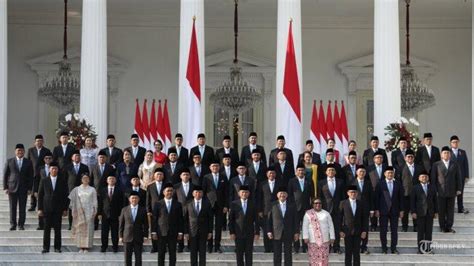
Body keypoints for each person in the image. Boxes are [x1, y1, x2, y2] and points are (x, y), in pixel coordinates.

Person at [37, 162, 68, 253]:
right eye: (52, 168)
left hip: (58, 209)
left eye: (55, 168)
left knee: (57, 229)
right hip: (46, 208)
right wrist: (39, 208)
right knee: (46, 229)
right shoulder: (44, 180)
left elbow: (65, 196)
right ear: (49, 170)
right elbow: (40, 195)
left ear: (58, 170)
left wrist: (65, 209)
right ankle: (46, 247)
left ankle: (57, 247)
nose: (54, 170)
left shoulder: (62, 181)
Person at [151, 183, 184, 266]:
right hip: (161, 232)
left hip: (173, 232)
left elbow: (180, 219)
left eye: (171, 191)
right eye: (167, 191)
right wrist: (153, 232)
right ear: (163, 192)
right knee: (161, 253)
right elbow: (154, 219)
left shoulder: (178, 204)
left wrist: (180, 232)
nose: (169, 192)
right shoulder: (158, 204)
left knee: (173, 253)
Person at [431, 146, 462, 233]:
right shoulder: (436, 165)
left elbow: (458, 178)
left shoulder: (454, 164)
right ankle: (442, 227)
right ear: (441, 154)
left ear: (450, 154)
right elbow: (433, 179)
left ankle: (449, 226)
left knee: (450, 210)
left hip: (451, 191)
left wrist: (459, 189)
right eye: (444, 153)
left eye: (448, 153)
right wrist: (434, 190)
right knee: (441, 210)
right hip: (440, 191)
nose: (446, 154)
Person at [3, 143, 34, 231]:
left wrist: (29, 188)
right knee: (12, 207)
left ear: (24, 151)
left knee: (22, 208)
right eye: (18, 150)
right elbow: (6, 174)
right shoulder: (10, 161)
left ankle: (21, 225)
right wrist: (5, 187)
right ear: (15, 151)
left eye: (21, 150)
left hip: (23, 188)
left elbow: (31, 176)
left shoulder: (28, 162)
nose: (20, 152)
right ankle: (13, 224)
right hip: (12, 188)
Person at [267, 187, 299, 266]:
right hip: (276, 232)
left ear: (287, 195)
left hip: (288, 232)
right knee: (277, 253)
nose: (282, 195)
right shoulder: (273, 205)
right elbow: (269, 219)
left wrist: (296, 232)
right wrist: (269, 231)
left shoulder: (292, 205)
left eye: (284, 193)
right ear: (277, 195)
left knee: (288, 253)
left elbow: (296, 220)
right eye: (280, 193)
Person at [228, 185, 259, 266]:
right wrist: (232, 232)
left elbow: (257, 220)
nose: (244, 194)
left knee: (249, 254)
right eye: (242, 192)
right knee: (239, 254)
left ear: (248, 193)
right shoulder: (234, 204)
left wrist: (257, 232)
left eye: (246, 192)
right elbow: (231, 220)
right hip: (238, 233)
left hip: (249, 233)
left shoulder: (253, 204)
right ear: (239, 193)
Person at [375, 166, 404, 254]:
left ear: (393, 174)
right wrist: (376, 210)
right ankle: (384, 248)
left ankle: (393, 248)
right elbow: (376, 198)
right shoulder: (380, 184)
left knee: (394, 231)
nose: (390, 174)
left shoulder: (398, 184)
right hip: (383, 211)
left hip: (394, 211)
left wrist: (402, 210)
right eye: (388, 173)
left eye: (391, 173)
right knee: (383, 231)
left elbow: (401, 198)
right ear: (385, 174)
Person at [202, 160, 228, 253]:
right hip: (209, 204)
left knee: (218, 226)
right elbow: (203, 192)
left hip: (220, 205)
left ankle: (217, 246)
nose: (215, 168)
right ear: (210, 167)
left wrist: (226, 205)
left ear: (219, 167)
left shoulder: (223, 177)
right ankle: (209, 246)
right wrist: (204, 204)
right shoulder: (206, 177)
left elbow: (226, 192)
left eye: (216, 166)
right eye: (213, 166)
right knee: (209, 226)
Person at [288, 163, 315, 253]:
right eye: (299, 170)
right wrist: (291, 207)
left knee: (306, 228)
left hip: (306, 208)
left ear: (305, 172)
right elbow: (290, 195)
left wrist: (311, 208)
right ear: (296, 172)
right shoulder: (292, 181)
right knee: (295, 228)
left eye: (302, 170)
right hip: (295, 208)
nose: (301, 172)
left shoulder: (309, 181)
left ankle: (305, 247)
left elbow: (312, 196)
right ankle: (296, 247)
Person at [183, 185, 213, 266]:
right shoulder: (188, 203)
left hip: (204, 231)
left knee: (202, 252)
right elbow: (185, 219)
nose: (198, 194)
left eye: (200, 192)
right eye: (196, 192)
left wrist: (210, 231)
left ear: (202, 193)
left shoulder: (207, 203)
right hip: (192, 232)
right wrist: (186, 232)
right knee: (193, 252)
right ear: (193, 193)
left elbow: (210, 218)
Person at [317, 165, 344, 254]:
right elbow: (319, 197)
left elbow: (343, 197)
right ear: (326, 172)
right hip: (325, 209)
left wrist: (342, 207)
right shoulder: (321, 183)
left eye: (333, 170)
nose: (331, 172)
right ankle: (326, 247)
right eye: (329, 170)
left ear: (335, 172)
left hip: (337, 209)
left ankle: (336, 247)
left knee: (337, 228)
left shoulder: (340, 182)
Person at [68, 173, 97, 253]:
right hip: (79, 211)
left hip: (89, 211)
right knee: (80, 229)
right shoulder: (77, 189)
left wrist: (95, 210)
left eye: (87, 178)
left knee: (88, 229)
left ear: (89, 180)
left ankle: (87, 246)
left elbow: (95, 200)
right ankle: (80, 246)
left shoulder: (92, 189)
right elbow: (72, 200)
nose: (85, 180)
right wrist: (74, 211)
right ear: (81, 180)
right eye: (84, 178)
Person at [340, 185, 369, 266]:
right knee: (348, 253)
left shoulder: (361, 203)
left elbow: (365, 218)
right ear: (348, 193)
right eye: (351, 192)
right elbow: (339, 218)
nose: (353, 193)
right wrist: (340, 230)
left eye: (355, 192)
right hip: (347, 232)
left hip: (358, 232)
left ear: (357, 193)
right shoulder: (343, 203)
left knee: (357, 253)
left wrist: (364, 231)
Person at [411, 171, 437, 254]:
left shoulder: (432, 187)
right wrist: (413, 212)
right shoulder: (415, 188)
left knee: (429, 232)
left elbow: (435, 200)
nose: (424, 178)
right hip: (420, 213)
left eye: (425, 177)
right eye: (422, 177)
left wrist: (436, 212)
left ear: (428, 178)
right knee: (421, 232)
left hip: (430, 213)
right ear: (419, 178)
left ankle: (428, 249)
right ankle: (420, 249)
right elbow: (412, 201)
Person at [257, 167, 283, 253]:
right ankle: (267, 248)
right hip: (265, 210)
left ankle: (274, 248)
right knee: (266, 230)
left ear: (275, 174)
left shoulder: (280, 183)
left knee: (275, 229)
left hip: (277, 210)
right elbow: (259, 197)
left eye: (273, 173)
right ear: (267, 174)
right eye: (270, 173)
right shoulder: (262, 184)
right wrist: (259, 210)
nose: (271, 175)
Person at [302, 198, 335, 266]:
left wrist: (332, 237)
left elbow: (331, 226)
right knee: (313, 260)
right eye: (316, 203)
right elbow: (305, 226)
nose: (318, 204)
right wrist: (305, 237)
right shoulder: (308, 214)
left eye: (319, 203)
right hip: (313, 241)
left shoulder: (326, 213)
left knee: (324, 259)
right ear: (313, 204)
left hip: (324, 240)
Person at [119, 191, 149, 266]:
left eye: (136, 198)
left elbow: (146, 224)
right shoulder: (124, 209)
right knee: (127, 257)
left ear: (138, 199)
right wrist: (120, 236)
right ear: (129, 199)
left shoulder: (143, 210)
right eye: (132, 198)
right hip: (127, 236)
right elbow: (121, 224)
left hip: (138, 236)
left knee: (138, 257)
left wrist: (145, 236)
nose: (134, 200)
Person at [349, 165, 373, 255]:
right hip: (354, 208)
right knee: (355, 227)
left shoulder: (368, 183)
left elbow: (371, 197)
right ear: (356, 173)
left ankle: (364, 246)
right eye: (360, 172)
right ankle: (355, 246)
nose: (362, 173)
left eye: (363, 172)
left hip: (365, 209)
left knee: (365, 228)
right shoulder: (352, 182)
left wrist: (372, 210)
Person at [399, 149, 424, 232]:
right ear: (405, 158)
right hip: (405, 193)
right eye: (408, 156)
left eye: (411, 156)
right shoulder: (401, 167)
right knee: (405, 211)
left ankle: (416, 226)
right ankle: (404, 226)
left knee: (416, 210)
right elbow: (399, 181)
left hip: (417, 193)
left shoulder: (419, 167)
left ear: (414, 158)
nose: (410, 158)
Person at [64, 150, 89, 230]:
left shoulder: (85, 167)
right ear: (72, 158)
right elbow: (64, 179)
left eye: (78, 156)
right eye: (75, 156)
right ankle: (71, 224)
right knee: (72, 208)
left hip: (82, 190)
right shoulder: (67, 167)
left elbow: (87, 179)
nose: (77, 157)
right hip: (71, 190)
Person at [98, 175, 124, 253]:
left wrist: (121, 214)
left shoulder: (119, 190)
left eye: (113, 179)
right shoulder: (103, 190)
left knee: (115, 232)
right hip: (105, 214)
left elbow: (122, 203)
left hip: (115, 214)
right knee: (104, 232)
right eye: (109, 179)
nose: (111, 180)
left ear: (115, 180)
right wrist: (99, 213)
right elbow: (100, 203)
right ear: (107, 180)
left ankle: (115, 247)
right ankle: (104, 247)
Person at [27, 134, 51, 212]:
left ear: (43, 142)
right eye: (37, 141)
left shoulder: (46, 150)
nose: (39, 142)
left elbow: (49, 161)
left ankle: (43, 204)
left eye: (40, 141)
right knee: (34, 188)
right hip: (33, 173)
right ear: (35, 142)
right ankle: (33, 205)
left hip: (42, 173)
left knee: (42, 189)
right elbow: (28, 161)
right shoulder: (31, 150)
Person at [146, 168, 167, 253]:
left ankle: (163, 247)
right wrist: (148, 210)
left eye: (160, 174)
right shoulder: (150, 186)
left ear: (163, 176)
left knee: (163, 228)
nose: (159, 176)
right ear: (154, 176)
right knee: (153, 229)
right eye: (157, 174)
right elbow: (148, 199)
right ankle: (154, 247)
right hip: (153, 211)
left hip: (164, 210)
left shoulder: (166, 185)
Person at [174, 168, 194, 252]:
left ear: (189, 176)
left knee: (190, 227)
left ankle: (190, 245)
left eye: (187, 174)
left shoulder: (194, 186)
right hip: (180, 209)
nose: (185, 176)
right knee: (180, 228)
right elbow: (174, 198)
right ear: (180, 176)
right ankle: (180, 245)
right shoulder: (176, 186)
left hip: (191, 210)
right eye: (184, 175)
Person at [449, 135, 470, 214]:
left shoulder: (462, 152)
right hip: (451, 177)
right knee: (451, 193)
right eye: (453, 142)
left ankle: (460, 208)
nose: (455, 143)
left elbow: (466, 164)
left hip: (461, 176)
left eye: (456, 142)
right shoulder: (448, 152)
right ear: (450, 143)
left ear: (458, 142)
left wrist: (467, 176)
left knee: (460, 193)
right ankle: (450, 208)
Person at [367, 151, 386, 231]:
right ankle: (373, 225)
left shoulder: (386, 167)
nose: (379, 159)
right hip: (372, 191)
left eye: (381, 158)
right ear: (374, 159)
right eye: (377, 158)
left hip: (384, 192)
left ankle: (383, 226)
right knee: (373, 208)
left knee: (383, 208)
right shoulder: (369, 168)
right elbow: (367, 180)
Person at [35, 151, 54, 230]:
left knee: (51, 207)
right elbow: (36, 179)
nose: (48, 159)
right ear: (44, 159)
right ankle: (40, 224)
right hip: (41, 189)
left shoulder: (55, 168)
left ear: (52, 159)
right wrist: (35, 191)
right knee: (40, 207)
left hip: (51, 190)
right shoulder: (40, 168)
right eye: (46, 158)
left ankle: (51, 224)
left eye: (49, 158)